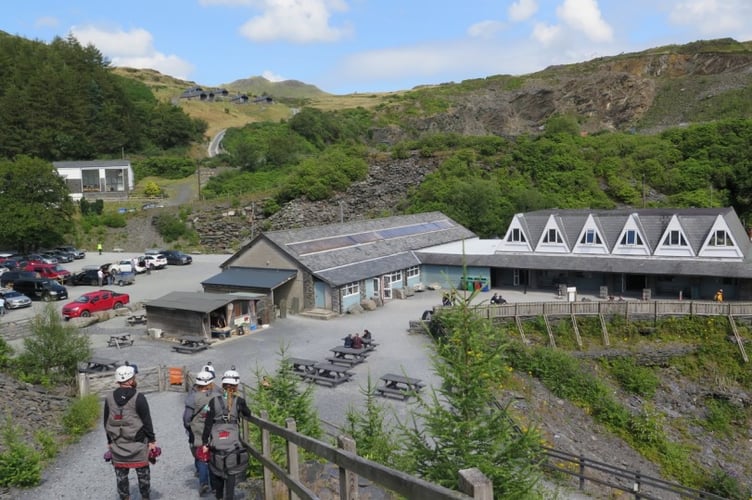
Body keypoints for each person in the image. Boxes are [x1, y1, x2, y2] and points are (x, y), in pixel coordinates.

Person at [104, 365, 158, 500]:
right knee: (143, 475)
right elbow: (147, 421)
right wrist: (152, 441)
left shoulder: (109, 398)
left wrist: (110, 441)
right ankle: (145, 497)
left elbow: (106, 422)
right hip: (138, 444)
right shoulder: (139, 397)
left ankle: (125, 497)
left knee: (121, 477)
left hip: (118, 444)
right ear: (130, 380)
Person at [201, 368, 252, 500]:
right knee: (231, 471)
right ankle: (229, 497)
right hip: (232, 443)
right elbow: (248, 413)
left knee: (217, 470)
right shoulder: (239, 401)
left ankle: (218, 496)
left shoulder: (214, 401)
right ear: (236, 386)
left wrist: (205, 442)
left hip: (217, 442)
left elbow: (207, 424)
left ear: (223, 385)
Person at [184, 369, 222, 496]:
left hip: (199, 431)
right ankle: (216, 485)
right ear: (210, 383)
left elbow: (187, 418)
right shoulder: (218, 396)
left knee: (202, 457)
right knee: (214, 457)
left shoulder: (192, 398)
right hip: (215, 430)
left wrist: (189, 427)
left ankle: (204, 482)